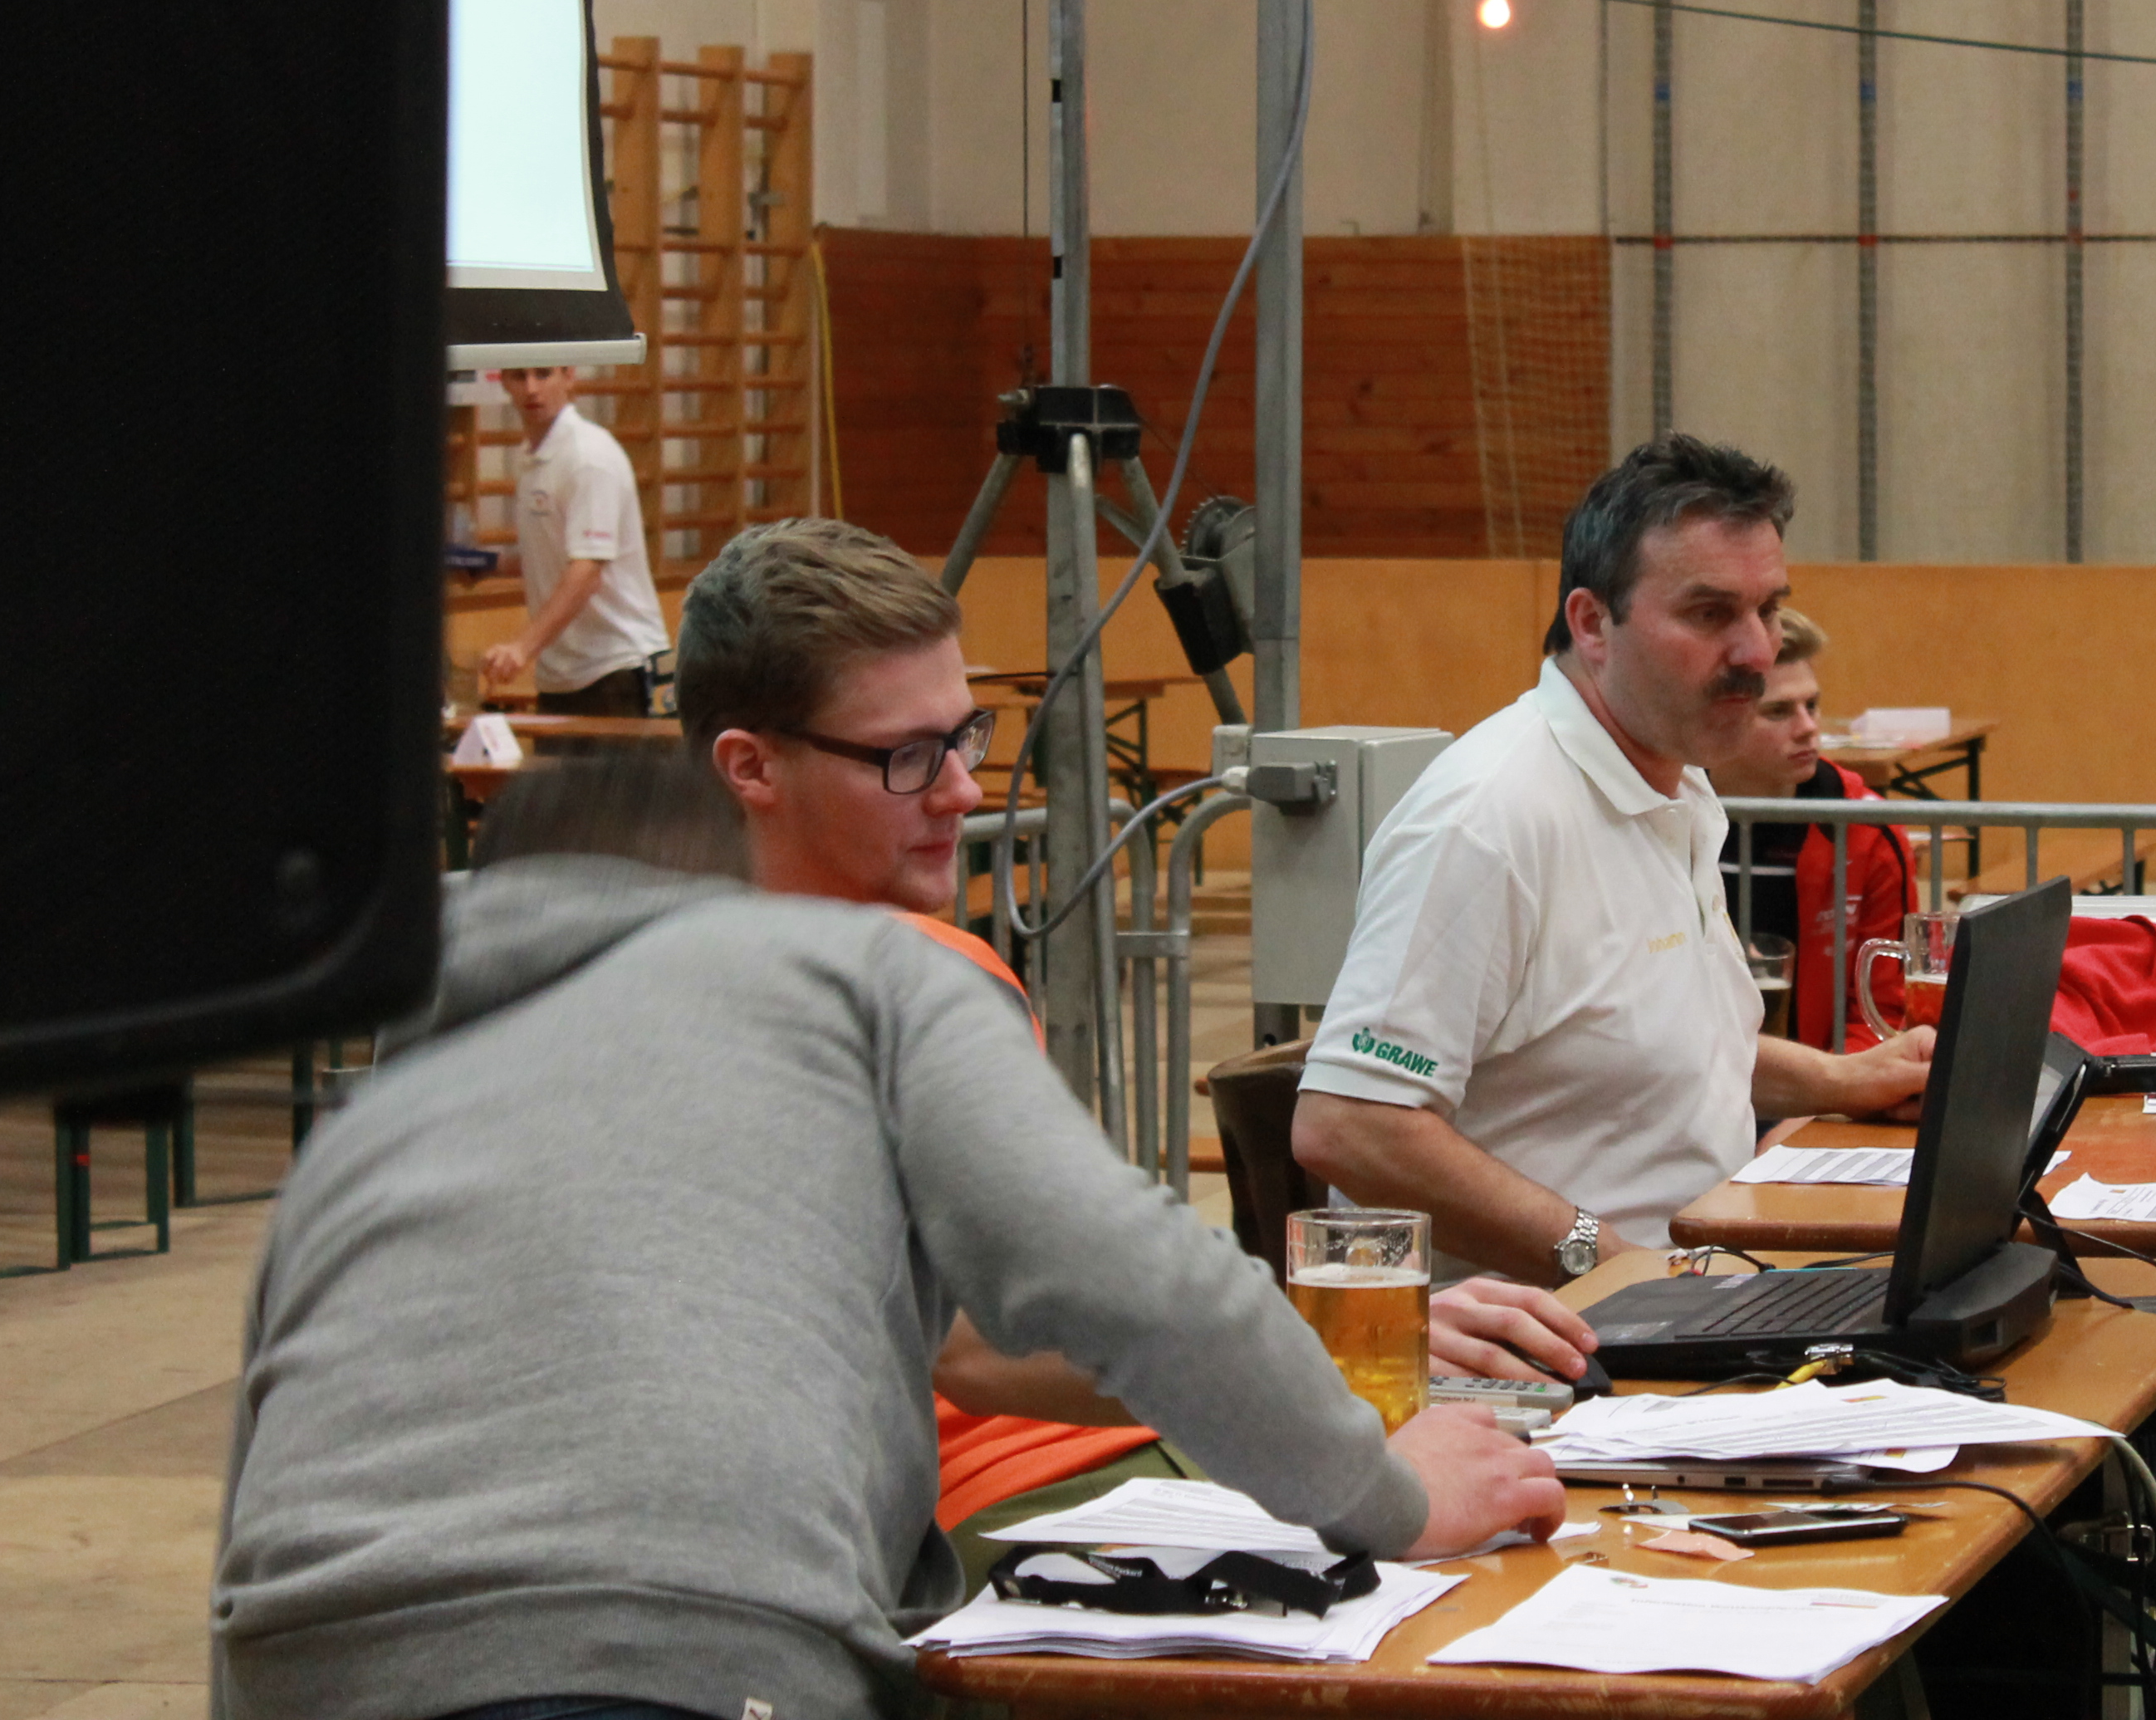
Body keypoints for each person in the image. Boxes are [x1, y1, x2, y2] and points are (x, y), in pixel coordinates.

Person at [211, 742, 1565, 1720]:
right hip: (675, 1653)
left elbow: (263, 1484)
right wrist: (1386, 1494)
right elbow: (1132, 1273)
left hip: (306, 1668)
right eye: (907, 752)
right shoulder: (860, 978)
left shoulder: (365, 1125)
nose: (958, 788)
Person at [676, 517, 1604, 1570]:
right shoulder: (907, 980)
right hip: (1015, 1488)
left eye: (965, 737)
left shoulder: (631, 970)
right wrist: (1350, 1342)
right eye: (906, 757)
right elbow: (1017, 1336)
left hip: (1109, 1443)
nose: (964, 789)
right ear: (750, 767)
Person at [1291, 437, 1938, 1285]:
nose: (1757, 650)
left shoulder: (1676, 779)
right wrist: (1613, 1263)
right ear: (1593, 623)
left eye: (1768, 609)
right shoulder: (1488, 818)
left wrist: (1845, 1079)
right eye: (1710, 614)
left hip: (1693, 1283)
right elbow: (1349, 1125)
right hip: (1555, 1333)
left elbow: (1656, 1046)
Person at [1697, 606, 1917, 1051]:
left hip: (1823, 1081)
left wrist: (1828, 1085)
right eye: (1778, 711)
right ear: (1717, 716)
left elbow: (1884, 1012)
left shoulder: (1869, 831)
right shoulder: (1657, 815)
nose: (1808, 728)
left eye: (1811, 705)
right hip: (1687, 1077)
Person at [478, 363, 671, 716]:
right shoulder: (530, 458)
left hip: (619, 668)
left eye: (543, 374)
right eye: (520, 376)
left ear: (569, 376)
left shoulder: (588, 457)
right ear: (503, 381)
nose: (531, 389)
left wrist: (521, 648)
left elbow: (587, 571)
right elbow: (553, 556)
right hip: (561, 675)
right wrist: (484, 565)